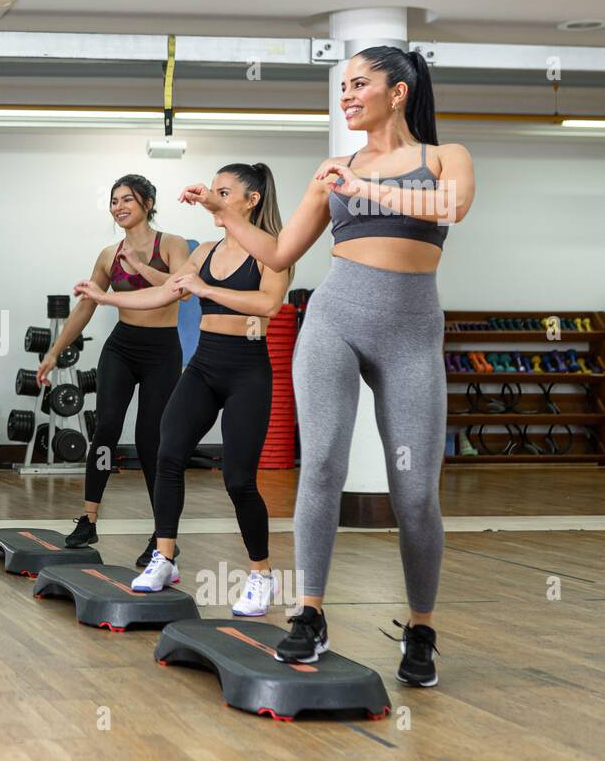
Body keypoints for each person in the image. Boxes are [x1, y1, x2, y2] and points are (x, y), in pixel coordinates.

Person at [194, 46, 474, 686]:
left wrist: (366, 188)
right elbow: (282, 249)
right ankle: (309, 613)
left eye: (358, 84)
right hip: (334, 319)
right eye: (341, 85)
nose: (346, 95)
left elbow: (451, 206)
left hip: (411, 331)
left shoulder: (443, 158)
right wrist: (226, 215)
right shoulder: (333, 168)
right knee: (320, 461)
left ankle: (422, 628)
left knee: (415, 493)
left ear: (397, 92)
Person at [76, 163, 289, 615]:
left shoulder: (272, 252)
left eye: (224, 192)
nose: (214, 198)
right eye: (212, 190)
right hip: (204, 366)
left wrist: (205, 286)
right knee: (168, 454)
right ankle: (165, 557)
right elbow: (164, 293)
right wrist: (108, 298)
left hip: (247, 370)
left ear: (251, 201)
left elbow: (267, 303)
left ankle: (261, 574)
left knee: (238, 479)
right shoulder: (206, 250)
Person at [39, 174, 189, 568]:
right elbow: (87, 306)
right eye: (114, 201)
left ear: (149, 203)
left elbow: (182, 288)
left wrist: (140, 265)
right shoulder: (108, 254)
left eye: (128, 200)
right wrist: (55, 352)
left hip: (162, 350)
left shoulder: (171, 245)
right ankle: (88, 520)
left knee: (150, 440)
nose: (119, 206)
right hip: (122, 346)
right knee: (105, 428)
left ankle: (163, 535)